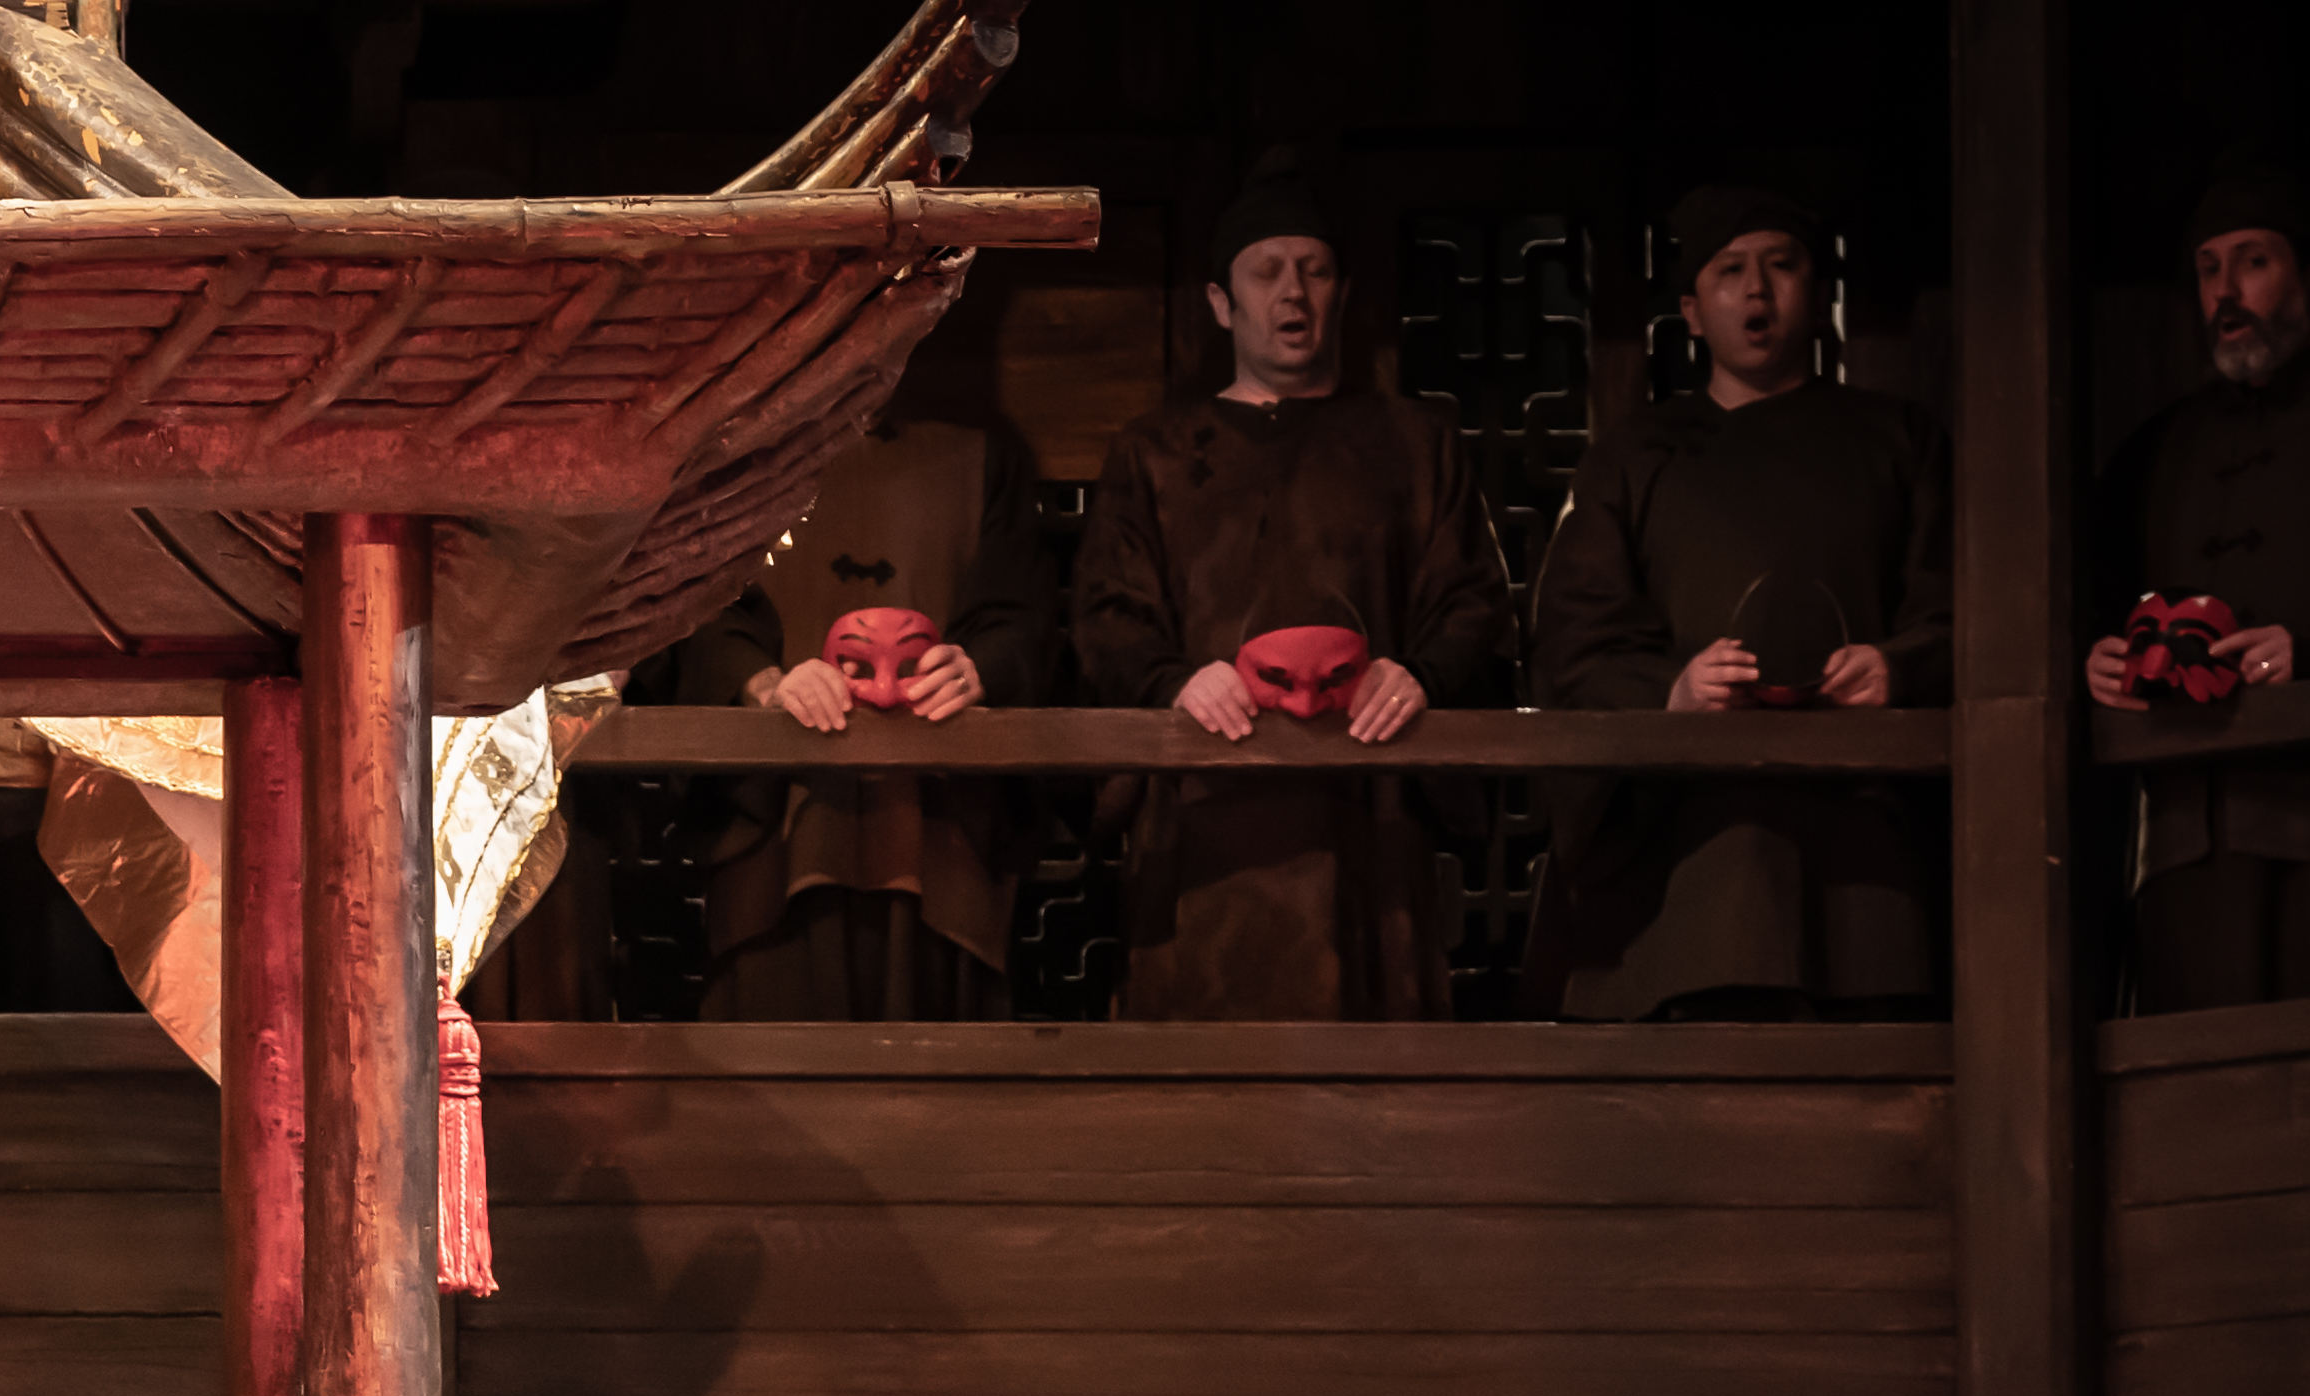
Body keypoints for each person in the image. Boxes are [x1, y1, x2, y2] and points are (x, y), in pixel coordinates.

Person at [1070, 181, 1512, 1018]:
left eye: (1312, 270)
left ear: (1341, 292)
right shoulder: (1154, 452)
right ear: (1219, 301)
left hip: (1366, 800)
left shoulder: (1414, 445)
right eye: (1266, 271)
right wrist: (1172, 680)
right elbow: (1105, 612)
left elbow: (1471, 600)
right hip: (1203, 793)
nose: (1292, 292)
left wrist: (1422, 673)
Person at [1529, 188, 1950, 1020]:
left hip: (1858, 835)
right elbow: (1576, 640)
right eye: (1730, 271)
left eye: (1780, 265)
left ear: (1816, 287)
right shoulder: (1631, 456)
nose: (1756, 291)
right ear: (1691, 310)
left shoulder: (1899, 438)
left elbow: (1966, 602)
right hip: (1688, 844)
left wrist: (1896, 667)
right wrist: (1672, 692)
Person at [653, 411, 1062, 1018]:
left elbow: (1022, 615)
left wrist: (978, 669)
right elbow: (694, 610)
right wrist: (766, 681)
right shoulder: (732, 461)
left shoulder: (981, 458)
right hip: (783, 806)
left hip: (935, 804)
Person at [2092, 171, 2310, 1009]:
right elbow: (2090, 600)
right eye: (2207, 267)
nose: (2225, 290)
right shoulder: (2155, 451)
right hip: (2186, 835)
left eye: (2252, 261)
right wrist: (2096, 657)